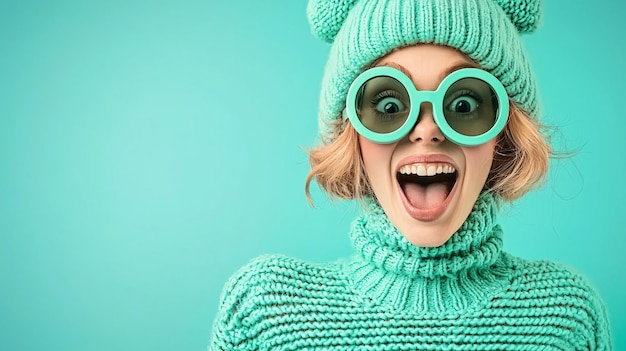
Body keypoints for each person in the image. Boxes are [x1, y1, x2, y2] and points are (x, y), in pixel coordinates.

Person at [209, 0, 613, 349]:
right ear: (351, 132)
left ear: (504, 133)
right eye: (388, 105)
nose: (427, 129)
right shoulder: (265, 312)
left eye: (464, 103)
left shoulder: (566, 318)